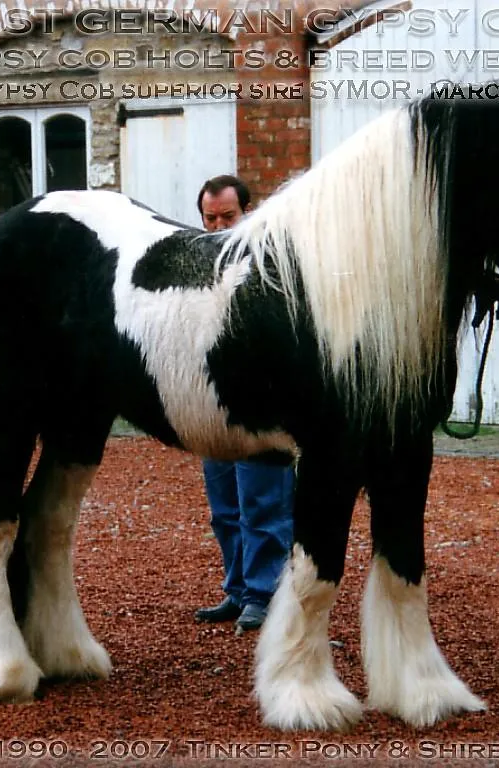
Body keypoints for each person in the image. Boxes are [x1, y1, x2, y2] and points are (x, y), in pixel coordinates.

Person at [192, 174, 295, 632]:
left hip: (262, 405)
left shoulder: (273, 263)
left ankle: (265, 595)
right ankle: (237, 590)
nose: (217, 227)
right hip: (216, 405)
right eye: (209, 218)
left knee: (264, 504)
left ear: (247, 213)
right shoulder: (198, 263)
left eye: (227, 217)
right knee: (225, 508)